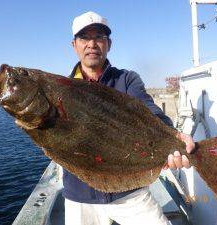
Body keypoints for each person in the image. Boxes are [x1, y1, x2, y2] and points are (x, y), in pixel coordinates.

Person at [63, 11, 194, 225]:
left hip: (129, 193)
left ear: (109, 44)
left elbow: (147, 107)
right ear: (74, 45)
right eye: (85, 37)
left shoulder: (127, 79)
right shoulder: (64, 90)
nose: (92, 44)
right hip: (80, 196)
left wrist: (173, 136)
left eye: (99, 37)